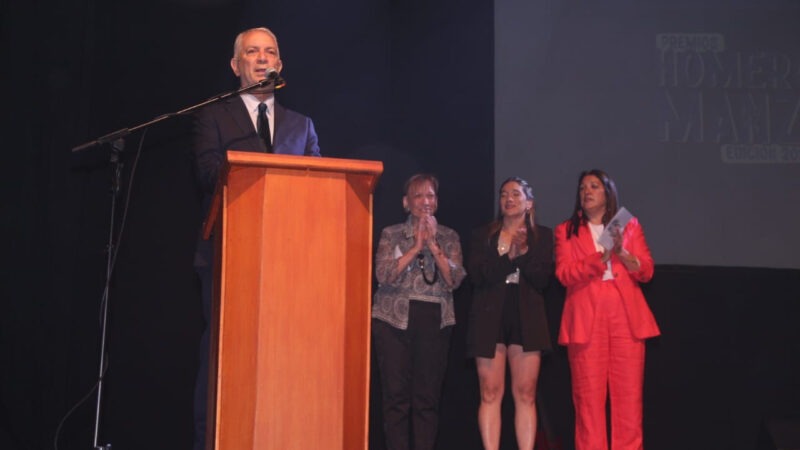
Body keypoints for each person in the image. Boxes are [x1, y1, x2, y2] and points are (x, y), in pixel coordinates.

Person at [191, 27, 321, 450]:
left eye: (270, 53)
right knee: (226, 362)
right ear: (236, 65)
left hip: (290, 262)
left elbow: (319, 188)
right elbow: (210, 174)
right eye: (252, 52)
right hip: (231, 254)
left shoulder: (302, 126)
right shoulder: (213, 115)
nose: (262, 59)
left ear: (280, 65)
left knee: (284, 362)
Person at [554, 169, 660, 450]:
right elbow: (564, 273)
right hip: (587, 318)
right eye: (582, 188)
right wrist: (599, 258)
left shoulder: (628, 225)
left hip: (625, 315)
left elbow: (647, 270)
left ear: (607, 192)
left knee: (629, 398)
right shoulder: (566, 230)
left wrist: (623, 254)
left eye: (594, 186)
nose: (586, 192)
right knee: (588, 401)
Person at [372, 173, 466, 450]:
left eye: (431, 195)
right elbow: (383, 274)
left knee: (427, 400)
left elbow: (455, 280)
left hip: (435, 323)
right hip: (392, 323)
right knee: (396, 399)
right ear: (406, 202)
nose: (426, 201)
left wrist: (434, 245)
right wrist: (415, 246)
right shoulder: (391, 233)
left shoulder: (449, 236)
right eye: (418, 195)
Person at [467, 176, 554, 450]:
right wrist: (510, 257)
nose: (508, 199)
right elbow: (479, 276)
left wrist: (524, 252)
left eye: (516, 194)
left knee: (525, 392)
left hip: (526, 315)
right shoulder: (483, 235)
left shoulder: (543, 236)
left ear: (529, 203)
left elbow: (541, 280)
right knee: (490, 392)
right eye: (504, 194)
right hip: (489, 315)